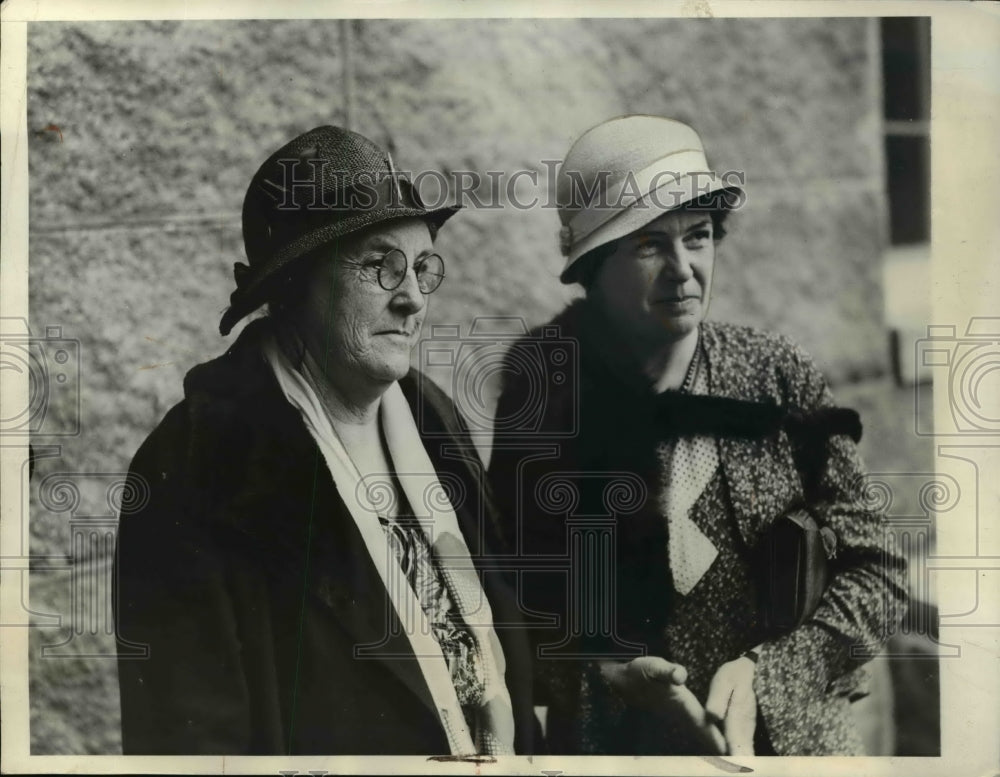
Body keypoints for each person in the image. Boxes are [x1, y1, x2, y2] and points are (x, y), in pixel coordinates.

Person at [487, 115, 908, 755]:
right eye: (650, 246)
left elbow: (880, 570)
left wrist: (769, 674)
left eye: (699, 237)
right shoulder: (545, 392)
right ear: (595, 268)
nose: (683, 270)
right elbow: (512, 600)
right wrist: (607, 670)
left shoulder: (774, 374)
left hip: (794, 753)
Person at [113, 125, 537, 755]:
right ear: (293, 285)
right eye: (380, 267)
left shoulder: (430, 417)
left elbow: (504, 633)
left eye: (422, 267)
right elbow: (191, 747)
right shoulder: (197, 469)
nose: (413, 300)